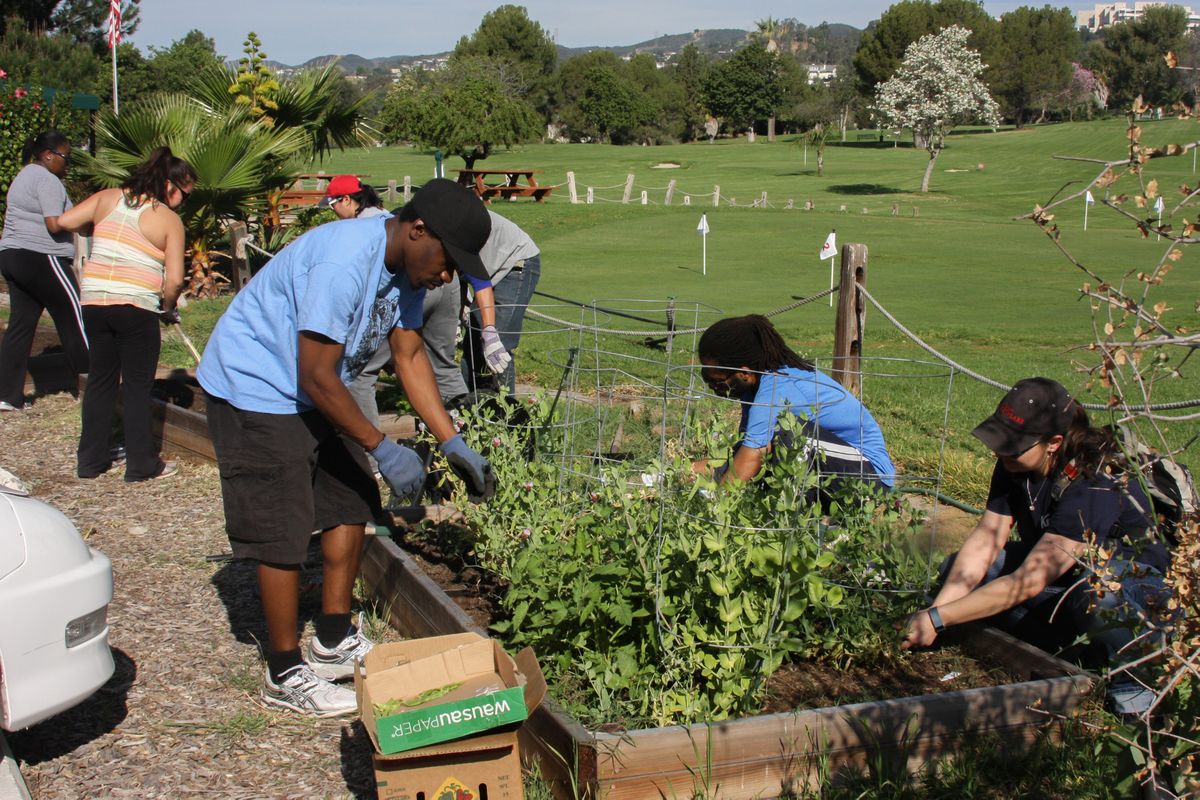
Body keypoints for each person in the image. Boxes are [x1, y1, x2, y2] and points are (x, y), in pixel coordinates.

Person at [196, 178, 496, 717]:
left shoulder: (407, 272)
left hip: (311, 390)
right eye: (448, 260)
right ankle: (284, 672)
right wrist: (382, 445)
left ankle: (332, 638)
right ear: (417, 229)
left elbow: (408, 358)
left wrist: (453, 442)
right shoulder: (342, 264)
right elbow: (314, 375)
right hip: (257, 385)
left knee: (352, 499)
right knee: (282, 524)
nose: (448, 274)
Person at [900, 378, 1169, 713]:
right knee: (956, 570)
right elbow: (987, 539)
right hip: (1067, 579)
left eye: (1012, 446)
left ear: (1054, 442)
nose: (1000, 452)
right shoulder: (1016, 465)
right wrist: (934, 613)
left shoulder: (1095, 480)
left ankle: (1135, 687)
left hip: (1134, 593)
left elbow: (1030, 580)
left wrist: (940, 618)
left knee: (1098, 595)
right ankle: (1073, 650)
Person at [50, 147, 193, 481]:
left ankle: (90, 461)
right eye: (185, 195)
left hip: (95, 301)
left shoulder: (109, 197)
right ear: (171, 186)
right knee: (137, 385)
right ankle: (142, 464)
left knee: (100, 380)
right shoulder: (168, 219)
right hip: (135, 305)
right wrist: (167, 306)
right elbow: (173, 280)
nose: (184, 202)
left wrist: (94, 229)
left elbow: (65, 222)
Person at [694, 315, 895, 501]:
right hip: (835, 464)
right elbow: (740, 455)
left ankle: (815, 517)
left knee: (783, 433)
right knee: (760, 448)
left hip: (871, 479)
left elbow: (753, 455)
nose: (714, 388)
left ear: (744, 373)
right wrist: (680, 470)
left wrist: (718, 506)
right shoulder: (754, 390)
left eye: (718, 382)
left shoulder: (776, 389)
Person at [0, 130, 89, 411]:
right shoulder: (47, 179)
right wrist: (85, 222)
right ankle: (96, 386)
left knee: (21, 325)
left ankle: (7, 395)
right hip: (42, 256)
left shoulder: (24, 175)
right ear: (48, 155)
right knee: (75, 316)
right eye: (66, 157)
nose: (68, 164)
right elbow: (54, 224)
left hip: (12, 256)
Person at [461, 210, 540, 397]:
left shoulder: (448, 223)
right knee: (472, 346)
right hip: (485, 270)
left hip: (515, 262)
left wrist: (489, 329)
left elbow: (477, 279)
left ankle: (505, 418)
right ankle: (467, 411)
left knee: (498, 345)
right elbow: (457, 272)